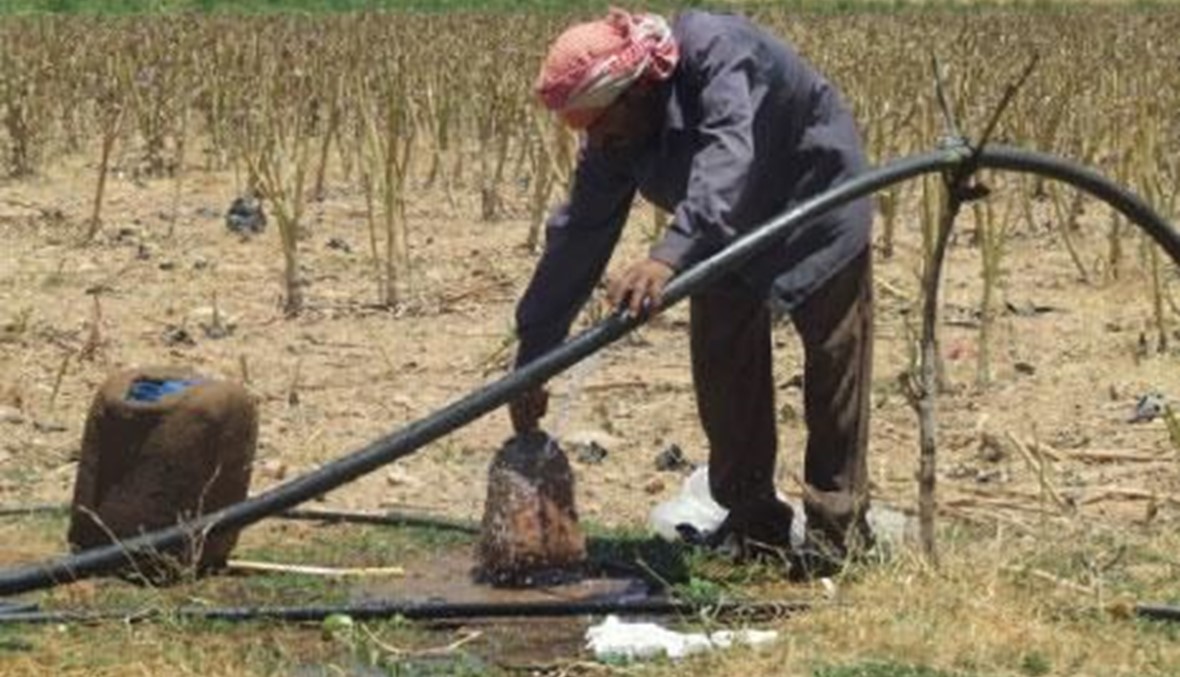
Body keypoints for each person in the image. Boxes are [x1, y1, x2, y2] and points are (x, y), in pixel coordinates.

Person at [509, 8, 875, 574]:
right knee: (724, 370)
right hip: (720, 232)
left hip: (814, 205)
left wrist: (668, 256)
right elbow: (576, 239)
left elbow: (729, 156)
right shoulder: (616, 138)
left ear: (637, 92)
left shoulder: (718, 54)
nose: (597, 141)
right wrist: (534, 359)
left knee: (833, 369)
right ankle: (754, 527)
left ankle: (836, 537)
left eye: (601, 126)